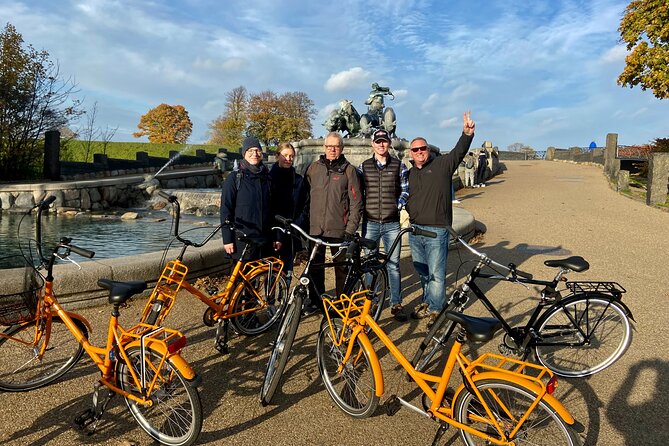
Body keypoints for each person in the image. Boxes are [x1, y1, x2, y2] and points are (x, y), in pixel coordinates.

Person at [406, 112, 475, 327]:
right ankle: (429, 302)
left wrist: (467, 134)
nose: (420, 152)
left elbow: (458, 152)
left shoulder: (443, 165)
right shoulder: (410, 173)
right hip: (416, 230)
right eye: (415, 150)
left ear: (428, 150)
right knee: (423, 271)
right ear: (411, 153)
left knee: (436, 272)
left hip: (437, 230)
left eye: (423, 149)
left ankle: (437, 309)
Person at [303, 132, 363, 314]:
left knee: (341, 269)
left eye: (336, 146)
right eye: (329, 146)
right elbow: (305, 198)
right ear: (324, 147)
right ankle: (316, 300)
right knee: (315, 268)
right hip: (315, 228)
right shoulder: (313, 168)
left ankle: (342, 303)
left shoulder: (349, 170)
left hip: (339, 230)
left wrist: (350, 229)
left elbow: (356, 202)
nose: (332, 149)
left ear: (342, 148)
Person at [358, 129, 409, 322]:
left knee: (394, 265)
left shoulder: (399, 166)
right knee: (369, 264)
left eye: (384, 141)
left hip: (391, 223)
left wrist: (397, 205)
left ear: (389, 144)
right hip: (370, 222)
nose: (381, 145)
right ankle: (370, 303)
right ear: (372, 144)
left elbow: (405, 190)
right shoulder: (363, 166)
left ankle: (396, 303)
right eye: (378, 141)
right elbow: (358, 191)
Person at [220, 136, 272, 260]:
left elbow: (273, 209)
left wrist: (276, 237)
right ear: (244, 153)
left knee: (265, 277)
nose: (254, 154)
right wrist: (227, 239)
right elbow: (225, 209)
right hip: (242, 240)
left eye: (257, 150)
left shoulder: (268, 178)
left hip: (264, 239)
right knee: (241, 278)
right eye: (250, 150)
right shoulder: (235, 178)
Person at [269, 142, 308, 286]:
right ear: (277, 155)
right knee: (271, 272)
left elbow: (305, 205)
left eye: (291, 156)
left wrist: (297, 224)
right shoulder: (269, 178)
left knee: (288, 272)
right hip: (273, 231)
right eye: (285, 155)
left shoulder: (298, 180)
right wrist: (276, 233)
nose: (288, 159)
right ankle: (271, 303)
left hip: (292, 231)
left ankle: (284, 302)